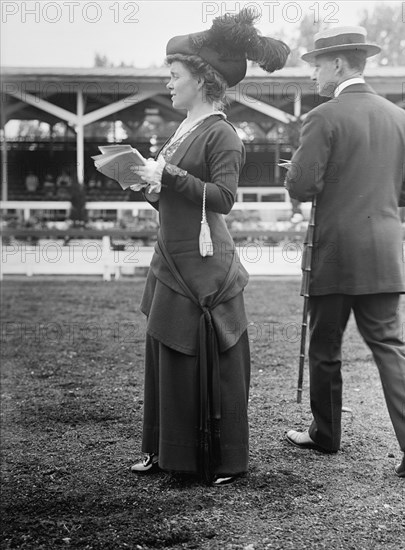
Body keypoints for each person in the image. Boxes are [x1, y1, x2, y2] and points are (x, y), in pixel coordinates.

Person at [129, 9, 290, 485]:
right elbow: (176, 200)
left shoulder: (222, 133)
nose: (169, 82)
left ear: (201, 79)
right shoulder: (183, 131)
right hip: (173, 255)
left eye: (175, 75)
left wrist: (170, 176)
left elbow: (224, 199)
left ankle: (220, 460)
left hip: (204, 264)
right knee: (164, 354)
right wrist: (146, 185)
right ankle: (165, 450)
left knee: (201, 360)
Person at [284, 26, 405, 478]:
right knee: (391, 348)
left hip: (335, 251)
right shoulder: (402, 119)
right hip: (383, 250)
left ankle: (325, 434)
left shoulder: (324, 116)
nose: (313, 75)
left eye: (317, 65)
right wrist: (370, 193)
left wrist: (300, 172)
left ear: (338, 64)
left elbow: (302, 186)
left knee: (324, 347)